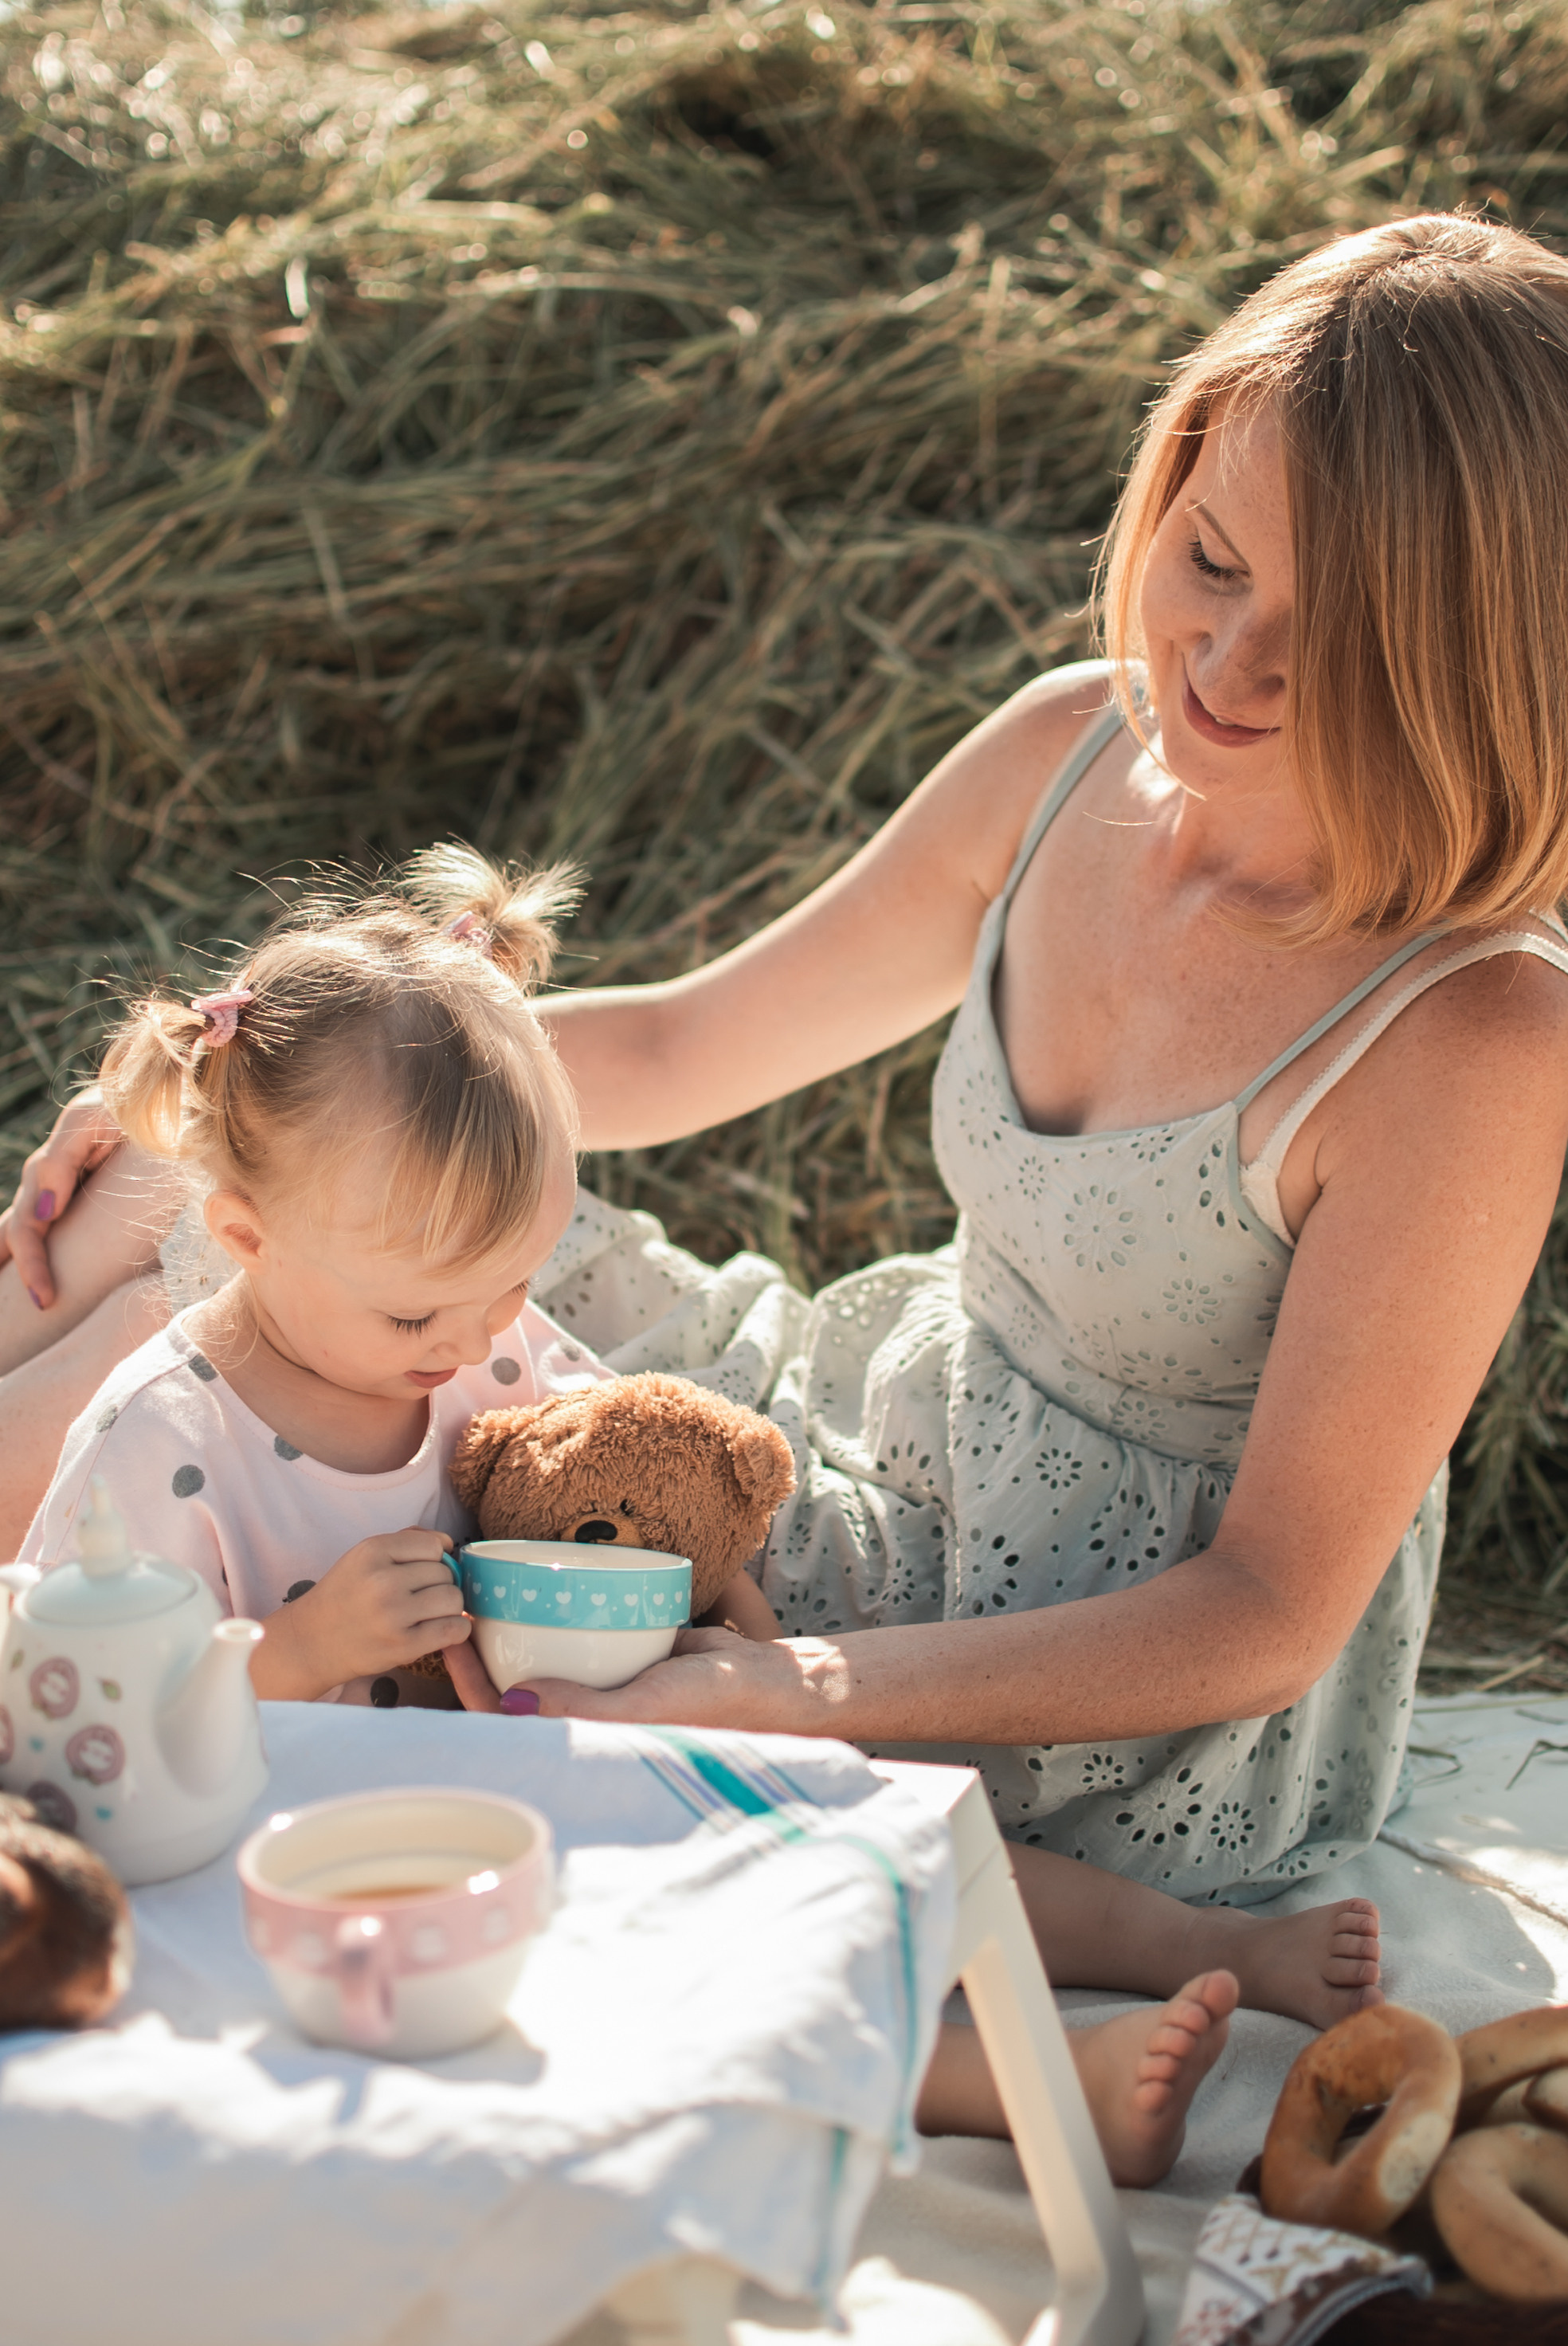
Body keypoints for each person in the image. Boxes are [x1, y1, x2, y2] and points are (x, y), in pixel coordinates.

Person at [6, 213, 1568, 2168]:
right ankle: (59, 1677)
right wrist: (211, 1111)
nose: (1224, 663)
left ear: (1475, 655)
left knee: (256, 1338)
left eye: (1324, 634)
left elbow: (1260, 1609)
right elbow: (668, 1046)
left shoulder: (1476, 1037)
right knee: (205, 1217)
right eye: (1210, 556)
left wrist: (787, 1684)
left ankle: (69, 1703)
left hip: (1093, 1648)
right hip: (860, 1408)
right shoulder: (1076, 745)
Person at [13, 847, 639, 1706]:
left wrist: (710, 1593)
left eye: (513, 1284)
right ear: (247, 1236)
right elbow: (78, 1701)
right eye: (413, 1317)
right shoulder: (159, 1445)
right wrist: (299, 1651)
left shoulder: (502, 1352)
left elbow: (635, 1472)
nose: (472, 1339)